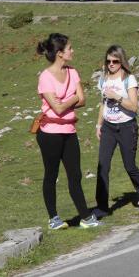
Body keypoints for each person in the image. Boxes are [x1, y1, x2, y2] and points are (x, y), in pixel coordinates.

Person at [35, 33, 100, 230]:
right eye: (70, 48)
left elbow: (84, 99)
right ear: (60, 53)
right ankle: (53, 218)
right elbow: (59, 108)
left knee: (75, 175)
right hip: (49, 134)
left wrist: (67, 100)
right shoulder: (45, 78)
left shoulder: (73, 72)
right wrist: (72, 98)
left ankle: (85, 217)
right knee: (51, 174)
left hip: (69, 131)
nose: (73, 51)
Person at [94, 45, 139, 217]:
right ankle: (102, 207)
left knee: (129, 165)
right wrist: (98, 125)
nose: (111, 64)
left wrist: (117, 97)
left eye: (115, 61)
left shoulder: (129, 79)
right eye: (108, 61)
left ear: (121, 61)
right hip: (108, 128)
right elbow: (103, 103)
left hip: (127, 127)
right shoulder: (103, 79)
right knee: (103, 166)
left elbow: (134, 107)